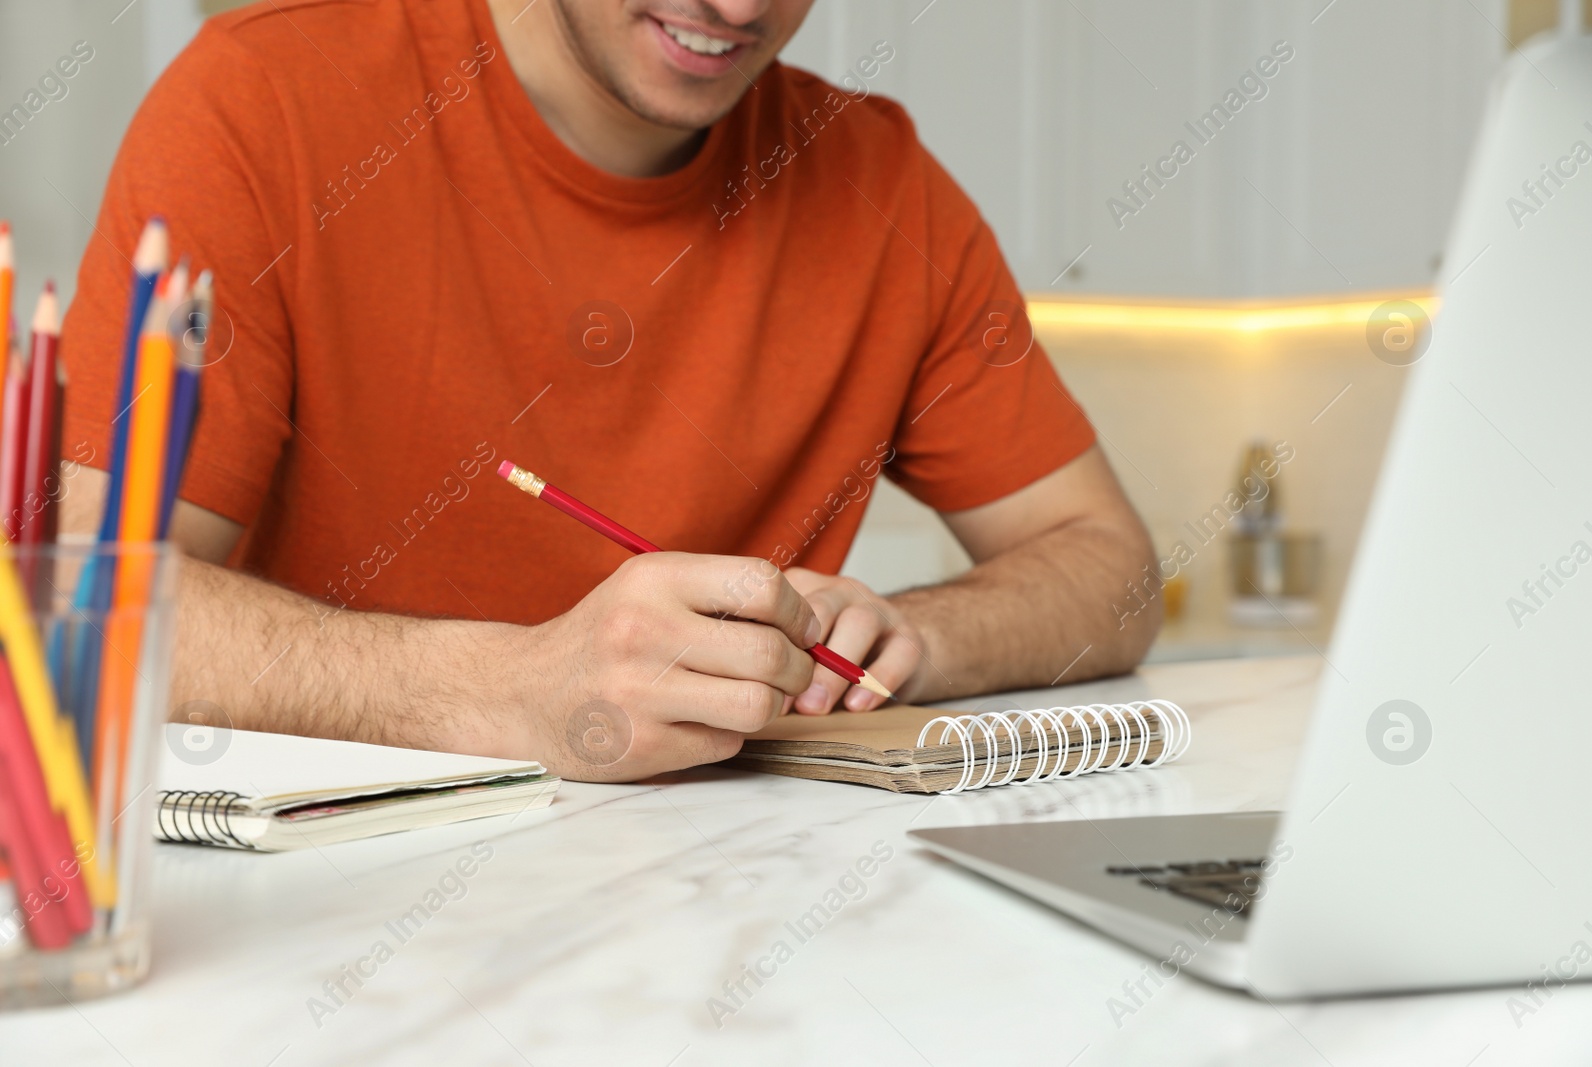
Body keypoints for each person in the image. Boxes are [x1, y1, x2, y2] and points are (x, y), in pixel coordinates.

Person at [60, 0, 1160, 782]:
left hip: (716, 908)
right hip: (321, 905)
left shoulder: (881, 186)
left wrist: (913, 635)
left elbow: (1110, 568)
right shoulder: (264, 101)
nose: (737, 7)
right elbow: (76, 599)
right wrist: (513, 686)